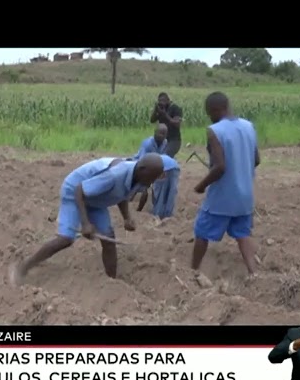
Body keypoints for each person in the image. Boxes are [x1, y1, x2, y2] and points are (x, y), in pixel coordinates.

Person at [9, 153, 167, 286]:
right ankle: (23, 268)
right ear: (142, 169)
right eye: (152, 177)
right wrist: (85, 223)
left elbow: (121, 193)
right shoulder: (114, 175)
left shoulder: (139, 177)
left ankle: (111, 283)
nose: (152, 182)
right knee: (66, 239)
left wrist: (127, 217)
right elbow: (80, 191)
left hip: (95, 199)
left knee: (109, 240)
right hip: (75, 192)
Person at [191, 92, 260, 277]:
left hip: (223, 197)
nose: (209, 118)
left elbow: (220, 167)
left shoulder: (215, 130)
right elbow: (257, 160)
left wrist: (201, 185)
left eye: (209, 113)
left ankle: (193, 271)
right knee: (242, 235)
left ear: (214, 110)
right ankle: (254, 274)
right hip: (245, 195)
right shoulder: (249, 126)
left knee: (201, 233)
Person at [137, 154, 180, 219]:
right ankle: (168, 214)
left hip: (164, 167)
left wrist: (138, 210)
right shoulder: (145, 162)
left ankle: (158, 213)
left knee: (160, 193)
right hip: (175, 166)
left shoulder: (144, 172)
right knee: (171, 193)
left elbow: (144, 194)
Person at [149, 92, 183, 158]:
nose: (162, 103)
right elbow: (152, 120)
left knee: (166, 156)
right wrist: (155, 111)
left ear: (168, 100)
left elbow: (176, 124)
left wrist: (165, 114)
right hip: (162, 140)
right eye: (160, 101)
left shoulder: (175, 108)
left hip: (174, 140)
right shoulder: (160, 109)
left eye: (163, 101)